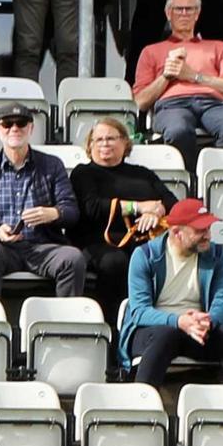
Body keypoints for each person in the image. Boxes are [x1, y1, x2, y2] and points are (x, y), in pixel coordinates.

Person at [117, 197, 223, 386]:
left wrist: (208, 320)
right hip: (153, 331)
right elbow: (139, 312)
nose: (208, 236)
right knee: (166, 334)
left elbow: (222, 303)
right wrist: (179, 321)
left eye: (208, 229)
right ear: (177, 232)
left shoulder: (218, 255)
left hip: (198, 330)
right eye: (200, 230)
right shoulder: (145, 256)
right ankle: (142, 401)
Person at [0, 106, 86, 299]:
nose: (14, 129)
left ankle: (65, 324)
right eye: (7, 124)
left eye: (21, 123)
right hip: (1, 248)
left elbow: (71, 211)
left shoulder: (52, 165)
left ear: (31, 129)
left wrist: (53, 213)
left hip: (42, 246)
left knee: (73, 258)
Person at [66, 115, 173, 311]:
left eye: (111, 138)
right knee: (116, 262)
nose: (104, 143)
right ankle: (114, 324)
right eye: (98, 139)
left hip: (141, 240)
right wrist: (138, 208)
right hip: (97, 242)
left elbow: (171, 202)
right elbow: (93, 208)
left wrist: (156, 211)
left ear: (125, 142)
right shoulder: (83, 173)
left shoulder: (142, 173)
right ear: (90, 146)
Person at [131, 0, 223, 157]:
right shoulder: (151, 51)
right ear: (168, 13)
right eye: (179, 9)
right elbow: (140, 102)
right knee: (178, 132)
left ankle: (209, 169)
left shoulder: (219, 47)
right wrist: (166, 75)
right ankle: (190, 177)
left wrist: (194, 76)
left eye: (190, 9)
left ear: (197, 14)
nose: (184, 14)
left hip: (214, 104)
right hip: (172, 105)